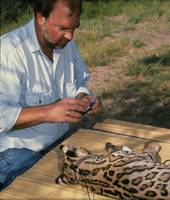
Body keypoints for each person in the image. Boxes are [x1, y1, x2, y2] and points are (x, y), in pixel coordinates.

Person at [0, 0, 102, 191]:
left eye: (74, 28)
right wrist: (49, 112)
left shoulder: (65, 42)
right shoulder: (8, 51)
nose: (70, 36)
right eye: (63, 28)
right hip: (15, 151)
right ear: (40, 17)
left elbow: (78, 82)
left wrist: (84, 98)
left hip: (58, 144)